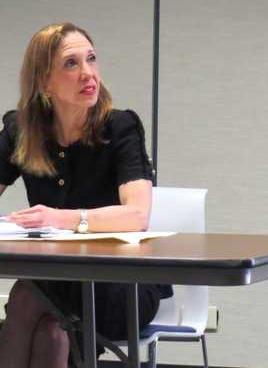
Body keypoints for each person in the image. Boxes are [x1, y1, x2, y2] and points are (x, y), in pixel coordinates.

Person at [0, 22, 167, 367]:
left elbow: (137, 215)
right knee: (49, 332)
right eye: (71, 64)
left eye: (91, 59)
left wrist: (59, 219)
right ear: (44, 80)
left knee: (26, 297)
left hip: (121, 286)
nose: (88, 73)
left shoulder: (120, 128)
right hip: (56, 280)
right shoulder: (23, 129)